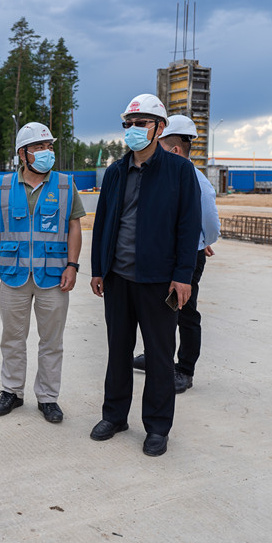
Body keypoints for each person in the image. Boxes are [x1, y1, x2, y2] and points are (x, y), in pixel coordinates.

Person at [89, 94, 201, 457]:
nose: (134, 130)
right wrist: (98, 269)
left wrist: (183, 276)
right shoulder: (115, 172)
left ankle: (157, 427)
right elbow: (103, 223)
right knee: (118, 351)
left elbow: (189, 226)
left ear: (160, 127)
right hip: (118, 278)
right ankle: (114, 416)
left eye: (142, 123)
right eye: (129, 124)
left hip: (159, 281)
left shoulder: (180, 171)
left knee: (159, 356)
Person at [0, 122, 84, 423]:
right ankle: (11, 391)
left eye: (49, 146)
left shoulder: (65, 185)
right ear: (22, 154)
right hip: (13, 274)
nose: (46, 151)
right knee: (12, 337)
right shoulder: (3, 186)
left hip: (53, 276)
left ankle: (48, 397)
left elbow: (74, 227)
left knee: (52, 341)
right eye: (39, 147)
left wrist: (73, 265)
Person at [132, 114, 221, 394]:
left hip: (187, 257)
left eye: (158, 146)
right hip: (162, 254)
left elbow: (210, 223)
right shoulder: (161, 176)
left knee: (183, 310)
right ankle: (157, 356)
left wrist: (202, 240)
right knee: (158, 309)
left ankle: (184, 369)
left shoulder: (197, 182)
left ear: (174, 150)